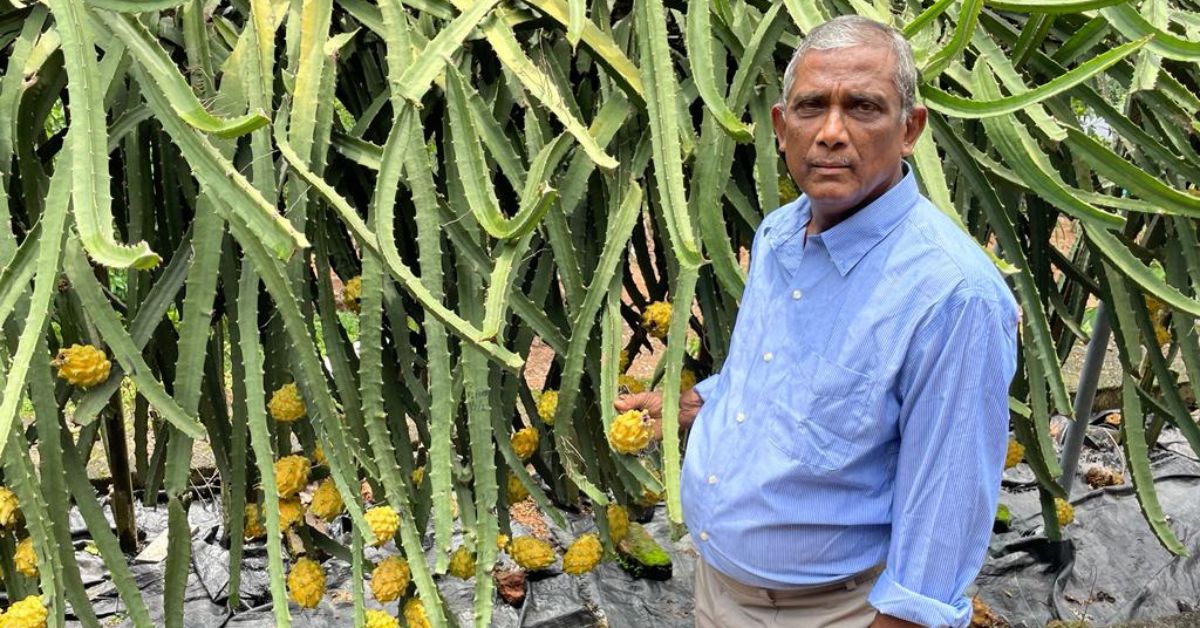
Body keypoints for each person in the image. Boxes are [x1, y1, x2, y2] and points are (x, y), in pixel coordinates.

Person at [614, 15, 1019, 628]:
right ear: (782, 127)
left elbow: (948, 505)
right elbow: (777, 369)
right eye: (810, 107)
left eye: (862, 107)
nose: (831, 132)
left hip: (836, 611)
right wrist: (703, 401)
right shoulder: (780, 234)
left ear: (910, 128)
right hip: (717, 588)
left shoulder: (953, 296)